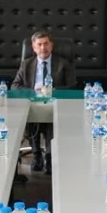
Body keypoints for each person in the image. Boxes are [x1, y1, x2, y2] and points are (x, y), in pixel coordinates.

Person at [12, 30, 75, 171]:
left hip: (54, 104)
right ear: (33, 48)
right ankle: (36, 155)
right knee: (31, 117)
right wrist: (33, 90)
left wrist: (53, 90)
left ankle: (50, 156)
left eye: (46, 43)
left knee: (52, 118)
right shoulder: (26, 64)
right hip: (33, 104)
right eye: (39, 44)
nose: (43, 47)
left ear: (51, 45)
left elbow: (72, 87)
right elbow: (15, 86)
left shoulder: (63, 63)